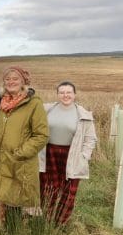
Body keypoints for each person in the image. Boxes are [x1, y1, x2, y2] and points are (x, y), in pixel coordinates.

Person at [0, 66, 49, 226]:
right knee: (5, 196)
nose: (11, 82)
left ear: (23, 82)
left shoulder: (34, 103)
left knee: (22, 196)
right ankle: (6, 229)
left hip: (21, 161)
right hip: (2, 159)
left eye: (15, 79)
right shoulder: (4, 102)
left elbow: (41, 135)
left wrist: (20, 153)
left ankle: (24, 232)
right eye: (7, 79)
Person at [39, 81, 97, 224]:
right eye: (62, 92)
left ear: (74, 94)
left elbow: (90, 139)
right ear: (57, 94)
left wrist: (84, 157)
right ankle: (46, 220)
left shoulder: (83, 114)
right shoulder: (47, 109)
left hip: (72, 155)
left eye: (69, 92)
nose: (65, 95)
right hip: (49, 153)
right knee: (48, 189)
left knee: (69, 191)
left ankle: (60, 222)